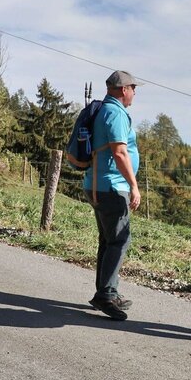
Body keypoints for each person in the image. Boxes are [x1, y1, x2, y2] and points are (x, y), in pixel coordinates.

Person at [85, 70, 143, 321]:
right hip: (111, 186)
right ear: (122, 89)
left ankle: (108, 290)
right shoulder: (115, 112)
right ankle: (105, 295)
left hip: (98, 183)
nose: (134, 92)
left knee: (108, 240)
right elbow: (120, 153)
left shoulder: (103, 110)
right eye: (133, 88)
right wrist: (134, 185)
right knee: (119, 240)